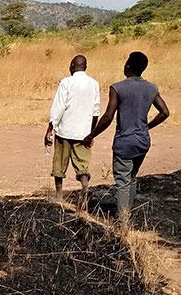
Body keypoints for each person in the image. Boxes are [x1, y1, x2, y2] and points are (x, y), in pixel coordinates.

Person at [82, 51, 170, 222]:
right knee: (131, 177)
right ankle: (127, 213)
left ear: (128, 66)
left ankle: (123, 222)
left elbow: (108, 117)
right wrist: (147, 127)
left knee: (122, 181)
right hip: (143, 141)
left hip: (124, 142)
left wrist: (91, 135)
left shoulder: (118, 88)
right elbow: (165, 112)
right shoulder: (151, 88)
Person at [44, 55, 100, 203]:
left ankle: (59, 195)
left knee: (59, 163)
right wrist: (91, 133)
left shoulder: (66, 82)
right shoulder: (94, 84)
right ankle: (85, 187)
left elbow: (59, 107)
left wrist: (50, 129)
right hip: (83, 133)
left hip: (65, 130)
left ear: (72, 65)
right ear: (85, 67)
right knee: (82, 164)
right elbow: (96, 112)